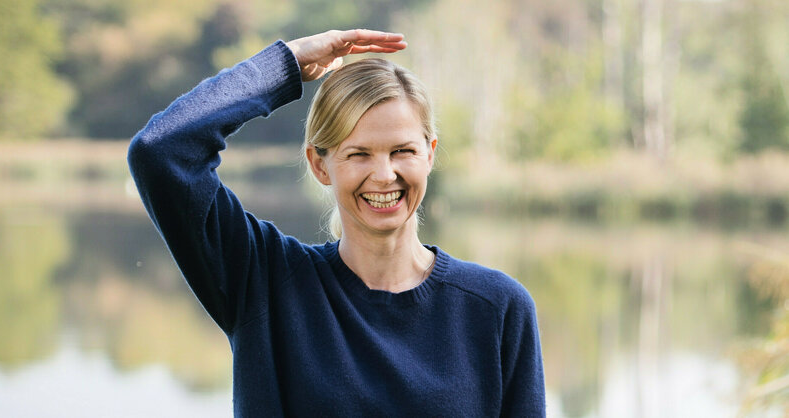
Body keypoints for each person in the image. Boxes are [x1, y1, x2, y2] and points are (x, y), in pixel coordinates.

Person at [128, 29, 545, 417]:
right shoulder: (265, 283)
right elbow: (162, 150)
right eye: (359, 154)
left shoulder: (498, 308)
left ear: (430, 154)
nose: (384, 175)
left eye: (403, 151)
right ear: (319, 164)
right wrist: (285, 65)